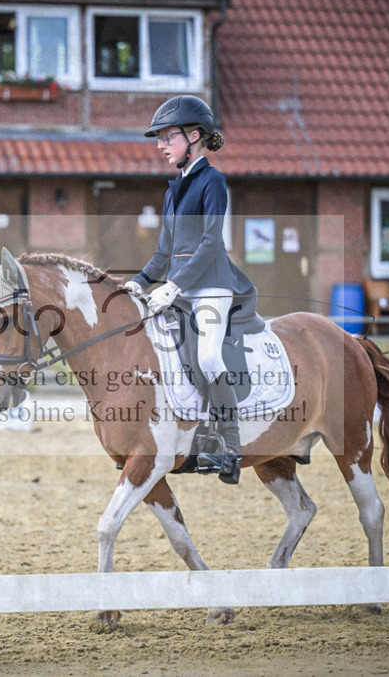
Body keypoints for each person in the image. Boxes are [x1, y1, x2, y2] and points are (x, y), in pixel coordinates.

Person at [123, 95, 255, 485]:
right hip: (178, 291)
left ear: (194, 136)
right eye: (159, 139)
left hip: (213, 286)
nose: (161, 146)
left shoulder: (213, 181)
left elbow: (211, 242)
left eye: (168, 137)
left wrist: (175, 285)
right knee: (158, 354)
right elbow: (164, 251)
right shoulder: (172, 190)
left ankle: (229, 447)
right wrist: (139, 282)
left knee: (210, 357)